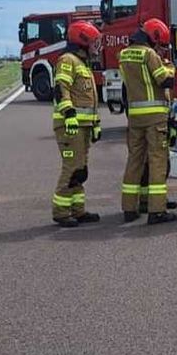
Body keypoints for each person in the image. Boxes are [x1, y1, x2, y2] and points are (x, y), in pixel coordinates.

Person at [118, 18, 177, 225]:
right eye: (159, 42)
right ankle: (156, 210)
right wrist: (169, 66)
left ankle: (129, 208)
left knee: (134, 161)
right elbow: (165, 80)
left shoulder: (124, 54)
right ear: (154, 37)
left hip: (135, 117)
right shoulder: (149, 54)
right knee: (158, 161)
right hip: (155, 119)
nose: (159, 46)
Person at [51, 21, 103, 227]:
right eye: (93, 42)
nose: (96, 47)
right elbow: (60, 88)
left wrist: (95, 123)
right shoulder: (68, 60)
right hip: (69, 126)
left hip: (83, 127)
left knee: (81, 169)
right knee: (71, 168)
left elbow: (90, 100)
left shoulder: (83, 64)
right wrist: (69, 114)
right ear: (82, 42)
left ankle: (78, 210)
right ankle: (61, 212)